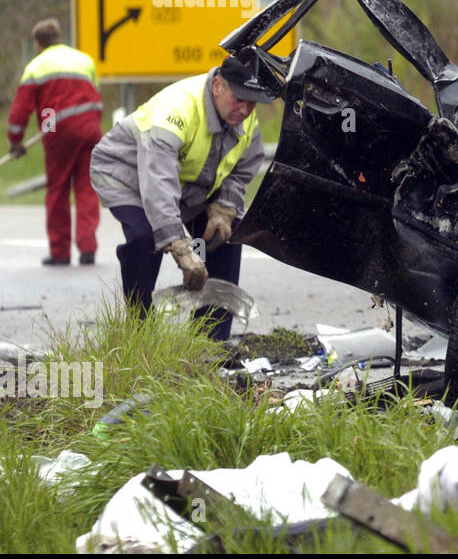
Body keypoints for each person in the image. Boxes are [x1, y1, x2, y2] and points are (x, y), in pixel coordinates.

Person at [89, 48, 278, 338]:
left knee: (225, 235)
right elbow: (157, 187)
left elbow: (244, 165)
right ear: (217, 86)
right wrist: (179, 246)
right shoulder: (175, 112)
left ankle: (209, 342)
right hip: (128, 175)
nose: (244, 110)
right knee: (146, 236)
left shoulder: (244, 118)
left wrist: (225, 207)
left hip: (186, 184)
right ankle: (139, 333)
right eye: (238, 99)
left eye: (252, 104)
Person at [6, 18, 103, 265]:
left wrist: (15, 141)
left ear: (37, 43)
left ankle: (60, 252)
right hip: (91, 128)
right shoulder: (83, 60)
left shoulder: (36, 67)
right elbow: (92, 92)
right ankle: (88, 248)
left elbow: (20, 111)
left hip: (58, 128)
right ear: (59, 37)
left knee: (58, 189)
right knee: (86, 187)